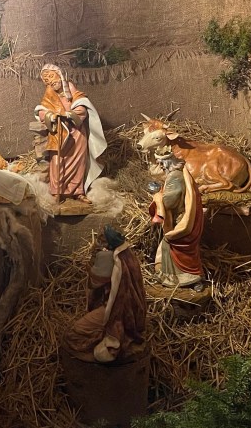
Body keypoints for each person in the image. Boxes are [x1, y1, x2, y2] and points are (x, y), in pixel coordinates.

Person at [63, 226, 146, 363]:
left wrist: (91, 265)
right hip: (131, 309)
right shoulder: (127, 254)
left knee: (74, 333)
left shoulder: (107, 257)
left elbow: (95, 282)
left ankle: (104, 341)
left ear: (108, 242)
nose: (99, 242)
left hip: (115, 310)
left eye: (101, 239)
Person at [34, 63, 107, 204]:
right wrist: (50, 115)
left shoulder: (71, 89)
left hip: (76, 133)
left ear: (59, 74)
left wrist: (69, 114)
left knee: (78, 162)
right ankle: (57, 191)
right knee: (57, 162)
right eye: (46, 80)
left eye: (51, 76)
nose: (50, 81)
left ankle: (78, 191)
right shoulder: (49, 94)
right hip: (58, 133)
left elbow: (82, 108)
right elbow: (41, 111)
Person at [149, 150, 205, 288]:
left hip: (181, 221)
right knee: (179, 249)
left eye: (161, 163)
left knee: (171, 246)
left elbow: (170, 201)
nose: (160, 166)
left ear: (169, 163)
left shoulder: (175, 176)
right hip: (180, 218)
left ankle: (184, 278)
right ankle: (184, 277)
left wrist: (158, 197)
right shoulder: (178, 174)